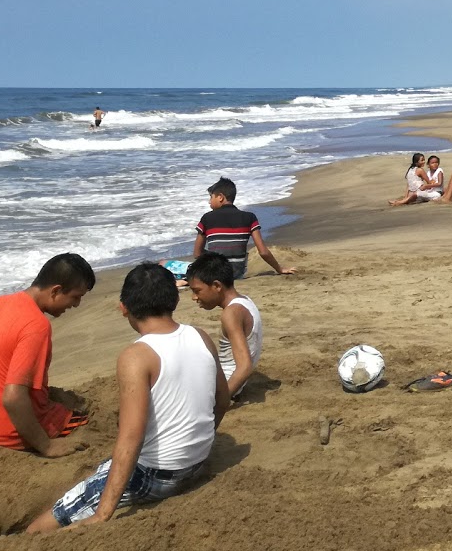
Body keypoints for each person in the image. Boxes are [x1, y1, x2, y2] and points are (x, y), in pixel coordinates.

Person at [28, 262, 230, 531]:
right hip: (197, 461)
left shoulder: (136, 356)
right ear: (174, 301)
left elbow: (130, 437)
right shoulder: (200, 336)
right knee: (104, 468)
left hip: (158, 474)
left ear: (124, 308)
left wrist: (103, 513)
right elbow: (222, 398)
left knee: (41, 526)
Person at [0, 253, 96, 455]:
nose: (76, 304)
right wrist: (47, 446)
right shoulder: (36, 325)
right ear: (56, 291)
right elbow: (13, 398)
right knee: (88, 420)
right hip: (8, 434)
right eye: (76, 297)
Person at [184, 253, 263, 400]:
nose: (194, 297)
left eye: (197, 290)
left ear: (216, 286)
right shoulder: (245, 301)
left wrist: (221, 400)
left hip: (224, 385)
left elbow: (244, 366)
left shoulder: (231, 314)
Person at [192, 178, 293, 279]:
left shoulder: (207, 218)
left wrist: (213, 256)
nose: (209, 201)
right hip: (237, 273)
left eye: (211, 197)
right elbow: (263, 252)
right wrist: (279, 269)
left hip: (216, 273)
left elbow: (197, 253)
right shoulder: (249, 217)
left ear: (220, 197)